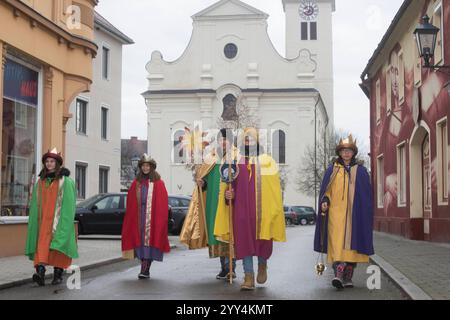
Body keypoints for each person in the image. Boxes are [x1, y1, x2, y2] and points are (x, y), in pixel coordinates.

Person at [215, 127, 286, 290]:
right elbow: (229, 182)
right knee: (244, 241)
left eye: (251, 139)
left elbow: (274, 189)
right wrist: (228, 194)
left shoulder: (268, 161)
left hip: (263, 211)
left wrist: (274, 209)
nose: (248, 141)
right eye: (246, 139)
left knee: (263, 240)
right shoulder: (236, 160)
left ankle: (262, 264)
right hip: (242, 210)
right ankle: (248, 276)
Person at [314, 135, 374, 289]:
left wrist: (364, 213)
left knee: (352, 245)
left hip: (355, 215)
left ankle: (348, 275)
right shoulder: (332, 170)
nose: (346, 153)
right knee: (337, 242)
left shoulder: (360, 171)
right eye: (343, 151)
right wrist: (325, 201)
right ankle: (338, 273)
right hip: (336, 215)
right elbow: (326, 191)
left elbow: (367, 195)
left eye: (349, 151)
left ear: (353, 153)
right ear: (339, 153)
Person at [180, 129, 237, 280]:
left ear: (231, 142)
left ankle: (231, 266)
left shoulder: (237, 157)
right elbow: (206, 179)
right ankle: (224, 267)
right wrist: (202, 182)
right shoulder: (211, 158)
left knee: (229, 232)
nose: (223, 142)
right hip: (214, 202)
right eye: (221, 139)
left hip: (230, 202)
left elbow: (240, 179)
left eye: (226, 139)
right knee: (217, 233)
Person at [25, 148, 78, 286]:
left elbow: (69, 205)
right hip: (43, 223)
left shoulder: (66, 182)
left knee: (58, 248)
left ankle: (58, 274)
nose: (49, 164)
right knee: (41, 247)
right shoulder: (40, 182)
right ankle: (40, 273)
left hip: (58, 222)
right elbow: (35, 204)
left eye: (52, 161)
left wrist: (65, 223)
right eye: (47, 161)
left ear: (57, 163)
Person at [121, 154, 170, 279]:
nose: (145, 168)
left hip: (152, 217)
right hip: (139, 217)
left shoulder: (158, 183)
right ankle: (144, 264)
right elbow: (131, 202)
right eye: (143, 166)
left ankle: (146, 267)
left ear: (151, 167)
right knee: (140, 241)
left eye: (147, 166)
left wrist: (160, 220)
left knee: (150, 240)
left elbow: (162, 203)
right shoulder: (136, 183)